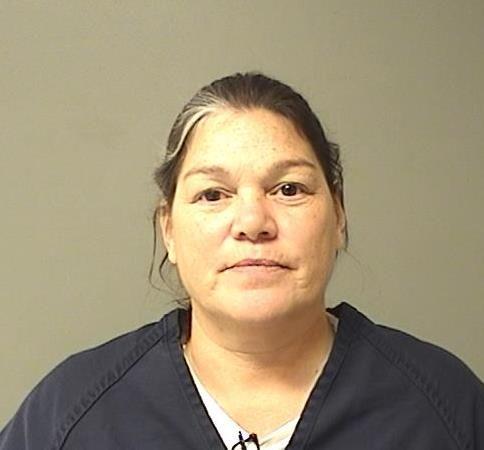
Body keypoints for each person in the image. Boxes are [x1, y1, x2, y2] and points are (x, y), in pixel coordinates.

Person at [0, 72, 482, 450]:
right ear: (169, 229)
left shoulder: (446, 409)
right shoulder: (68, 416)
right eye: (213, 194)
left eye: (288, 189)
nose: (253, 222)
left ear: (338, 216)